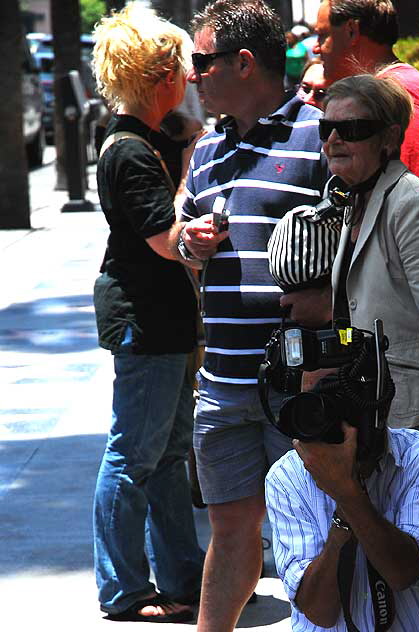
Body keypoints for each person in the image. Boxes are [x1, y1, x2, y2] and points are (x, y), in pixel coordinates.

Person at [171, 1, 328, 629]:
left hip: (299, 386)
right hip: (223, 386)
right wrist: (191, 244)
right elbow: (187, 243)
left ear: (243, 62)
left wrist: (324, 297)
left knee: (314, 533)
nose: (192, 77)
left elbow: (365, 246)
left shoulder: (321, 136)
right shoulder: (208, 150)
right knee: (230, 532)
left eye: (202, 63)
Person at [280, 74, 419, 461]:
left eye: (352, 129)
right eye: (327, 128)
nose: (333, 140)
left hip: (414, 425)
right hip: (367, 414)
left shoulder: (414, 206)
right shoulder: (354, 199)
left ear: (389, 138)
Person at [91, 3, 204, 623]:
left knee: (165, 456)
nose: (193, 77)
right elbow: (167, 239)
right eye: (185, 68)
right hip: (145, 319)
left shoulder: (146, 136)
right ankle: (123, 590)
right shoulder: (129, 151)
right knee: (134, 456)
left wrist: (187, 135)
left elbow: (181, 133)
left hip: (162, 320)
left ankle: (184, 579)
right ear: (163, 75)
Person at [265, 420, 419, 631]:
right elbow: (319, 612)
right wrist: (343, 511)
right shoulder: (286, 476)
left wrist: (349, 494)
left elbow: (404, 574)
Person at [313, 0, 419, 231]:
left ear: (352, 30)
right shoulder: (394, 90)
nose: (316, 48)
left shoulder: (402, 95)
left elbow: (410, 209)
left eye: (323, 35)